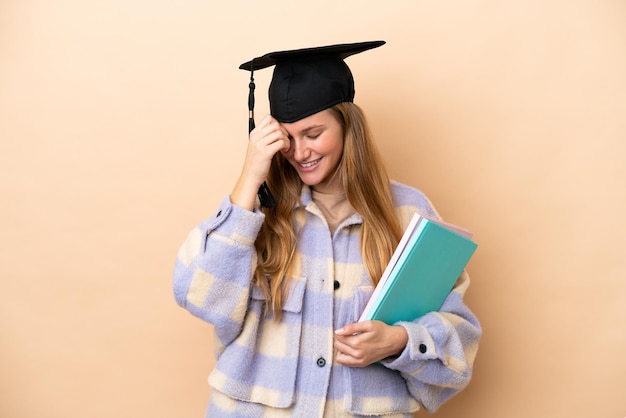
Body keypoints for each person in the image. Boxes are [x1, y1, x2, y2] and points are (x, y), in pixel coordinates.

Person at [173, 40, 481, 417]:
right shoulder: (257, 212)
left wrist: (398, 340)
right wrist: (250, 178)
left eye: (313, 134)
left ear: (348, 126)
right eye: (287, 137)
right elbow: (200, 296)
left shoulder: (408, 213)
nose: (299, 152)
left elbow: (459, 350)